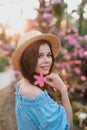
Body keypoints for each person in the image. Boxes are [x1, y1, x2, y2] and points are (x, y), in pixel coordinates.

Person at [12, 30, 73, 130]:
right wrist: (63, 89)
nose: (47, 60)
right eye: (39, 56)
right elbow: (67, 126)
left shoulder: (23, 82)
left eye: (49, 55)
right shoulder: (35, 95)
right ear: (28, 59)